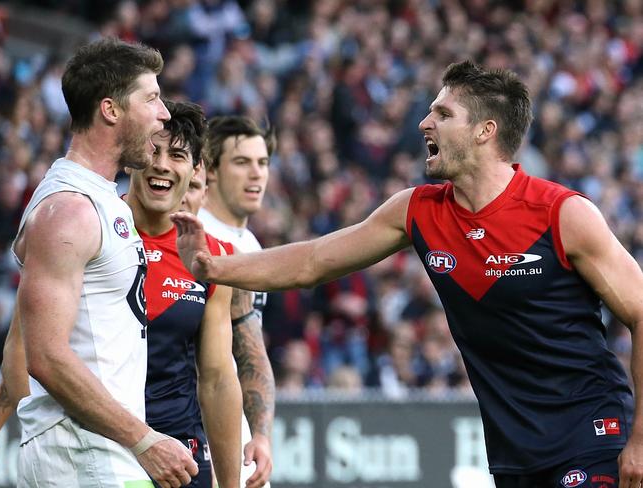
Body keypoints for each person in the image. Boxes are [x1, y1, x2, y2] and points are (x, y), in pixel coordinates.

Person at [171, 60, 643, 487]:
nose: (424, 122)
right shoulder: (418, 211)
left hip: (594, 436)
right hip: (514, 454)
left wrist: (640, 442)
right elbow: (312, 261)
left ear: (485, 131)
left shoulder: (562, 213)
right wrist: (215, 266)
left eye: (442, 113)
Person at [11, 37, 199, 487]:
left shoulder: (102, 201)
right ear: (111, 110)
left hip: (102, 451)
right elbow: (46, 357)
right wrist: (144, 440)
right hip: (78, 452)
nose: (164, 113)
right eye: (151, 98)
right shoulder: (69, 211)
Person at [125, 99, 242, 487]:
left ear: (195, 172)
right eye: (152, 150)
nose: (161, 164)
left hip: (181, 455)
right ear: (129, 159)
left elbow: (217, 378)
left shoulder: (213, 258)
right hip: (102, 445)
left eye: (176, 155)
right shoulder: (89, 225)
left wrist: (230, 484)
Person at [195, 116, 276, 488]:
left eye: (262, 163)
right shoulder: (198, 238)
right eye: (241, 162)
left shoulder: (249, 244)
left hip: (234, 426)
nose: (256, 174)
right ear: (209, 170)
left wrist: (259, 432)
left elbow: (249, 346)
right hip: (194, 421)